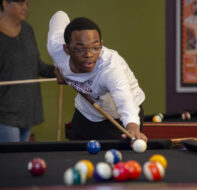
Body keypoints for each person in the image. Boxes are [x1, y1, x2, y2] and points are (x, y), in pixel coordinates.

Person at [47, 10, 147, 141]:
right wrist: (58, 67)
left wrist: (132, 127)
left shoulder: (110, 68)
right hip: (85, 114)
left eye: (95, 48)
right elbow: (59, 15)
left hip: (117, 118)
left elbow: (125, 99)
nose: (88, 54)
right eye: (80, 49)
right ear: (66, 49)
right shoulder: (56, 49)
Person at [0, 0, 55, 142]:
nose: (25, 7)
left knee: (21, 159)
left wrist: (59, 71)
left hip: (28, 112)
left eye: (26, 3)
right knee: (11, 162)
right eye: (19, 3)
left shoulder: (27, 29)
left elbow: (36, 65)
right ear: (5, 4)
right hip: (5, 116)